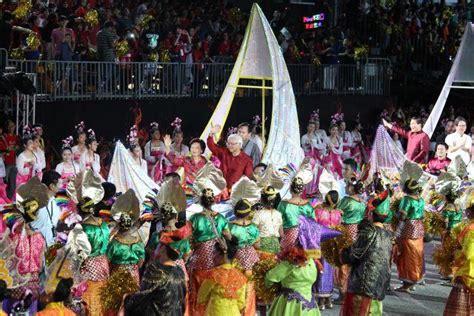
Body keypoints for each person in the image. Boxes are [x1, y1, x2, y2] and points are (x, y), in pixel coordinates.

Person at [188, 188, 231, 315]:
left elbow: (189, 240)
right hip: (217, 257)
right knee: (215, 286)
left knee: (198, 287)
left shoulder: (195, 218)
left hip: (199, 258)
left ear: (200, 202)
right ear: (213, 202)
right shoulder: (221, 218)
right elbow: (228, 236)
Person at [340, 214, 394, 316]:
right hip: (379, 284)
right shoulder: (389, 235)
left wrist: (342, 252)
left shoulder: (368, 232)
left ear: (371, 215)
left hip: (363, 284)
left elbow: (353, 254)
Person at [67, 193, 110, 316]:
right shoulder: (103, 223)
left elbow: (76, 253)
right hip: (103, 263)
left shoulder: (82, 228)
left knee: (89, 297)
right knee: (101, 296)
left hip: (89, 266)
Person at [124, 244, 187, 315]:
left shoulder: (155, 270)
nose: (154, 250)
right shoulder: (179, 271)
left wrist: (126, 299)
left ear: (162, 249)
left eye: (157, 245)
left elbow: (142, 297)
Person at [197, 238, 248, 316]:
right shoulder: (240, 276)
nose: (212, 257)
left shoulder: (214, 274)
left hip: (215, 312)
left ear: (222, 255)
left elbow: (201, 298)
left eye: (214, 253)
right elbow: (241, 303)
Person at [335, 177, 366, 302]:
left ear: (353, 189)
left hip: (346, 231)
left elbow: (337, 213)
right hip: (357, 233)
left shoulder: (346, 200)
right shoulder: (362, 202)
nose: (345, 188)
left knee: (343, 260)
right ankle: (350, 291)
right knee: (353, 262)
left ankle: (343, 292)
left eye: (348, 186)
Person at [265, 246, 319, 316]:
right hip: (309, 304)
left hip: (289, 304)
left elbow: (270, 277)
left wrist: (268, 287)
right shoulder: (311, 262)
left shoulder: (290, 262)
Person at [443, 198, 474, 316]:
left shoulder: (471, 229)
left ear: (470, 212)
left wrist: (454, 254)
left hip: (468, 274)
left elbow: (469, 254)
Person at [107, 193, 145, 286]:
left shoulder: (115, 244)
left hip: (117, 276)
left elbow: (108, 262)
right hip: (133, 276)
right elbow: (140, 263)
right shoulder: (139, 243)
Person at [230, 199, 260, 316]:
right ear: (248, 213)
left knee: (237, 286)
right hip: (251, 259)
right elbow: (257, 245)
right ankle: (249, 312)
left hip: (237, 259)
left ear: (235, 212)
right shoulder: (253, 227)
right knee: (250, 288)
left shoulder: (230, 226)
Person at [395, 179, 425, 292]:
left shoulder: (406, 200)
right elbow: (422, 216)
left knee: (406, 255)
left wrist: (394, 214)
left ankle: (406, 283)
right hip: (419, 228)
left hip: (408, 228)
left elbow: (403, 216)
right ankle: (413, 280)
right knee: (416, 255)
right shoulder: (421, 200)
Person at [314, 190, 342, 309]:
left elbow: (314, 228)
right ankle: (328, 300)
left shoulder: (319, 212)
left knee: (320, 270)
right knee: (329, 271)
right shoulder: (338, 213)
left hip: (321, 244)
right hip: (333, 245)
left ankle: (320, 300)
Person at [207, 124, 253, 189]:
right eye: (228, 143)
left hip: (235, 191)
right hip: (220, 188)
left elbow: (248, 176)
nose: (229, 146)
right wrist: (211, 134)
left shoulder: (247, 159)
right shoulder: (224, 152)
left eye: (233, 144)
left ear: (240, 145)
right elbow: (212, 147)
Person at [278, 176, 314, 252]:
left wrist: (282, 237)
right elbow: (313, 223)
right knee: (302, 260)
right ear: (302, 190)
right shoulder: (308, 205)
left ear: (290, 189)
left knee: (286, 260)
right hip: (304, 237)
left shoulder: (284, 204)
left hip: (289, 236)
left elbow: (278, 222)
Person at [30, 171, 61, 247]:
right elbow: (23, 224)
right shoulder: (34, 202)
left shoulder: (56, 202)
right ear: (52, 186)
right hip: (35, 248)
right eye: (60, 184)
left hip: (51, 245)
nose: (61, 186)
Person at [252, 186, 283, 256]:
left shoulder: (258, 214)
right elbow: (281, 234)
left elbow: (252, 232)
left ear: (262, 199)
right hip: (276, 245)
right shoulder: (278, 214)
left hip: (263, 246)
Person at [3, 120, 19, 199]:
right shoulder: (4, 137)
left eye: (13, 126)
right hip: (6, 163)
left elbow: (18, 147)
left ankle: (8, 199)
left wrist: (13, 148)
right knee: (5, 183)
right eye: (10, 126)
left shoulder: (16, 137)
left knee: (13, 185)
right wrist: (8, 149)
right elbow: (4, 149)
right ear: (7, 127)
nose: (12, 128)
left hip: (13, 163)